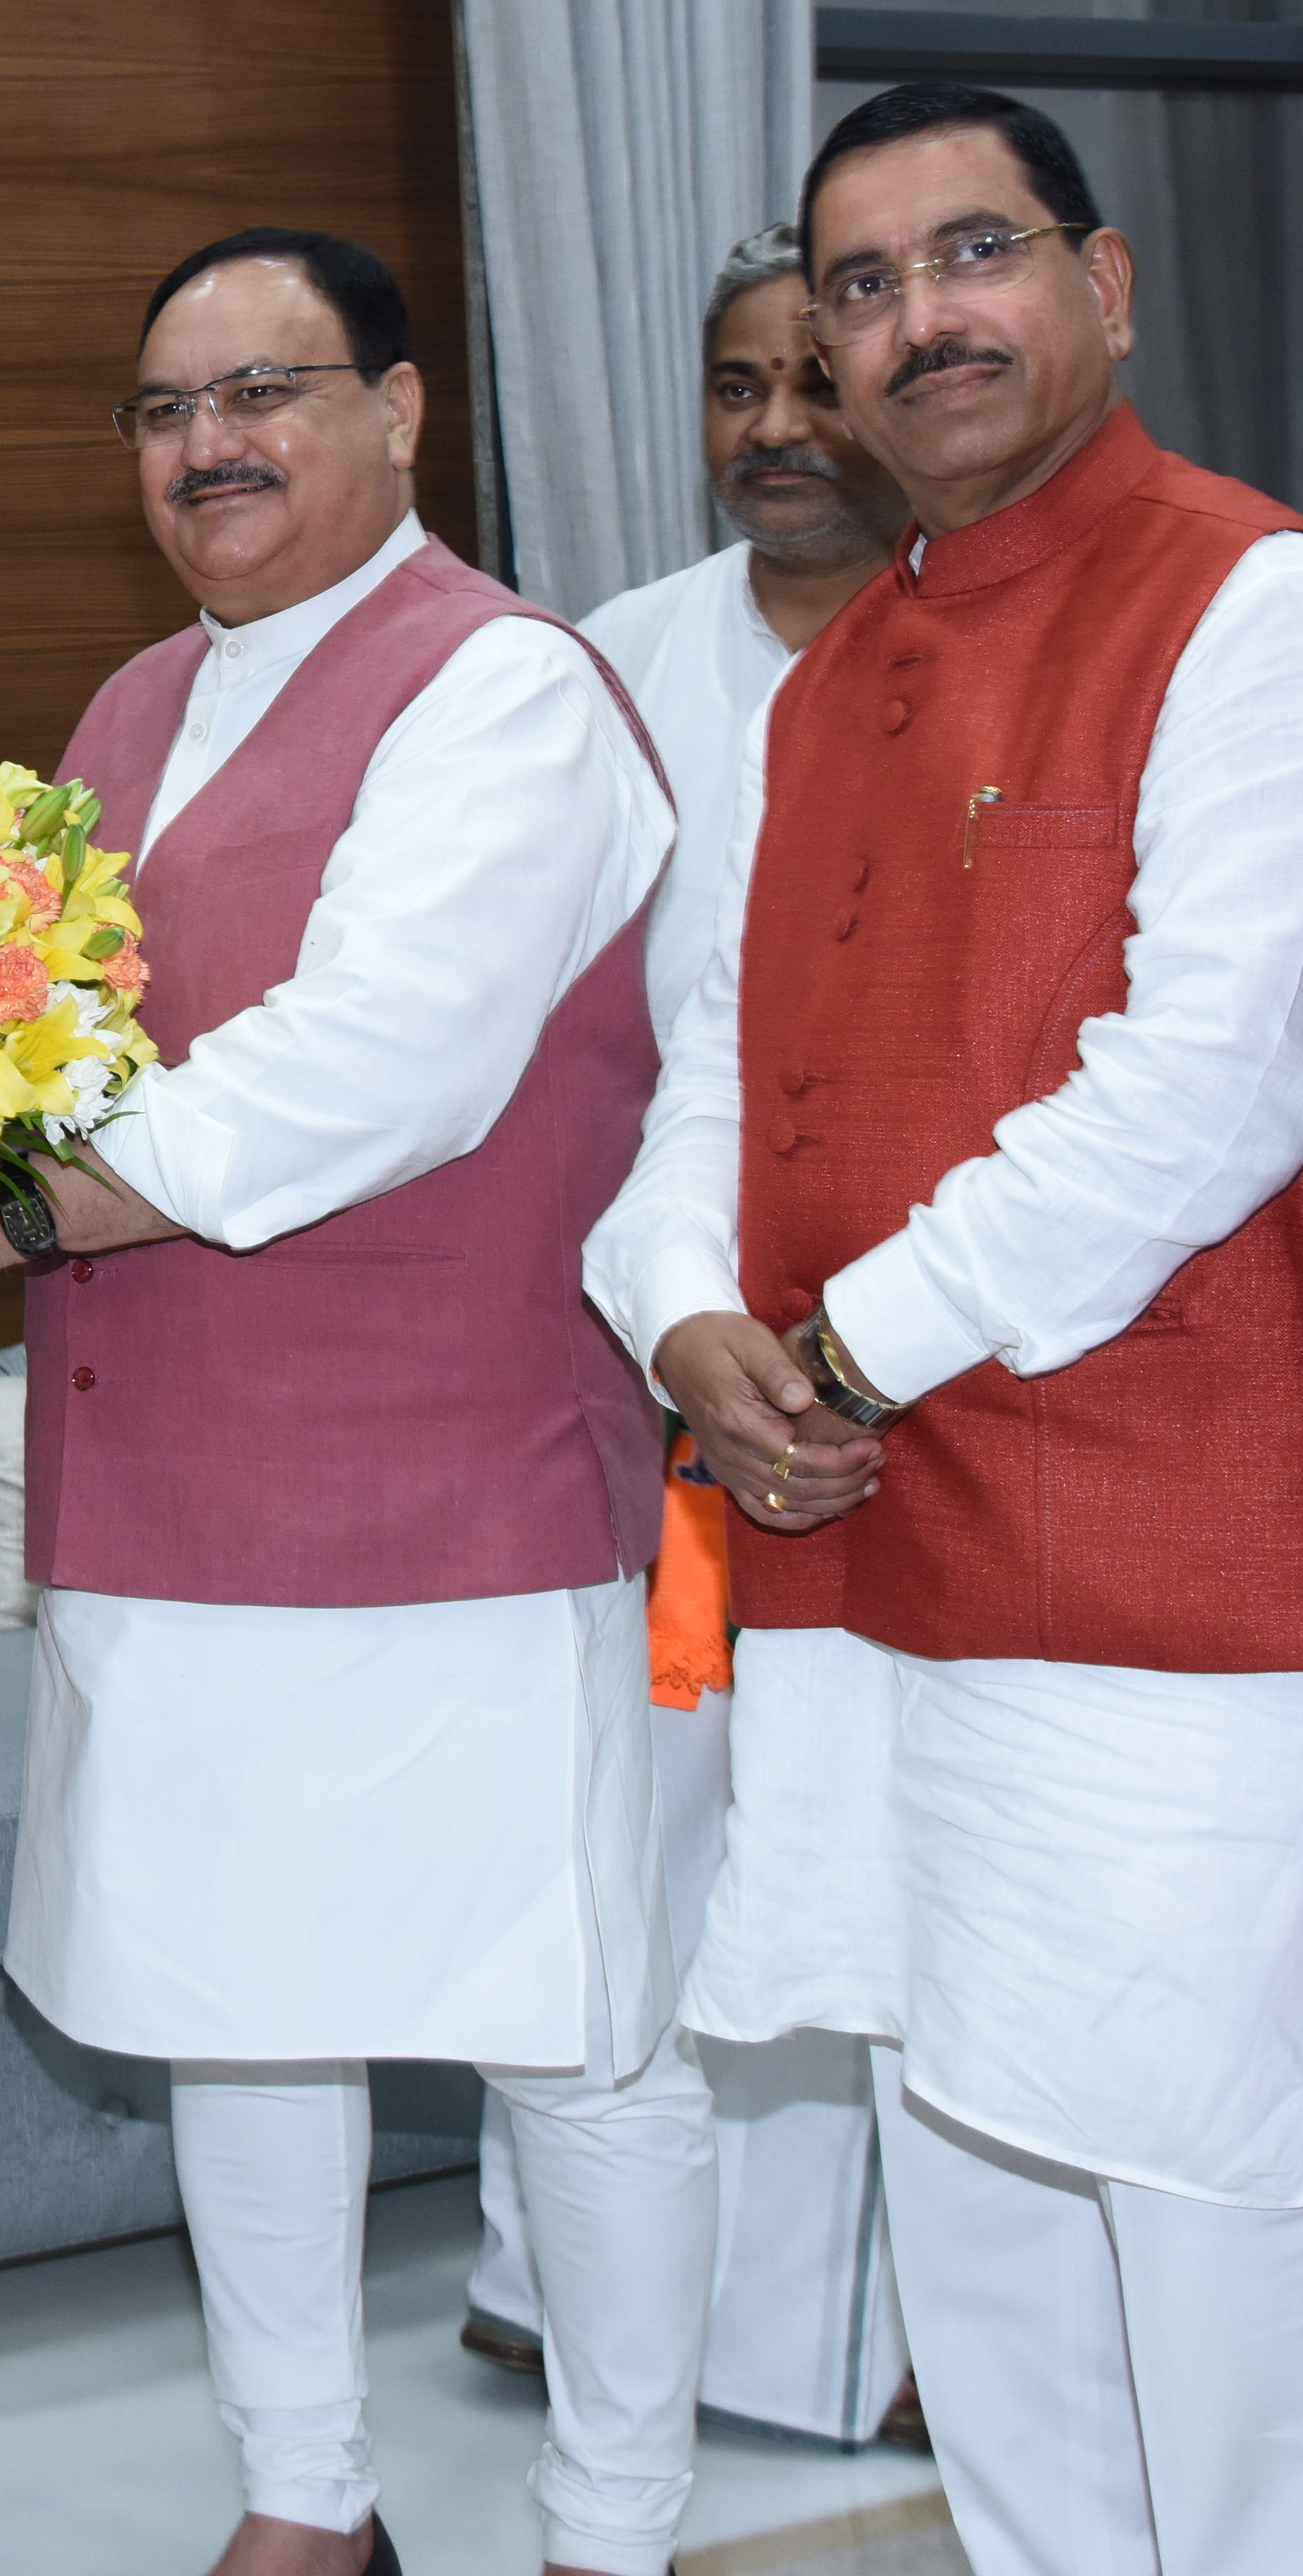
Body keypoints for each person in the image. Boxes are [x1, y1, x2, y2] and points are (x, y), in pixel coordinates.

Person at [0, 229, 694, 2576]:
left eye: (267, 390)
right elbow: (32, 1046)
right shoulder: (131, 709)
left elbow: (379, 1066)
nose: (212, 447)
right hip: (161, 1483)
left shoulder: (510, 695)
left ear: (401, 414)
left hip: (451, 1490)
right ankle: (307, 2498)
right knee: (232, 2009)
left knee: (560, 2032)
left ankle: (616, 2524)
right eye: (166, 411)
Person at [586, 81, 1303, 2576]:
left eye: (974, 254)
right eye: (861, 287)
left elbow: (1212, 1090)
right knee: (979, 2209)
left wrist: (830, 1359)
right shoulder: (831, 678)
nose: (917, 319)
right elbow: (718, 1056)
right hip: (871, 1570)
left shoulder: (1261, 604)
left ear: (1109, 283)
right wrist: (684, 1325)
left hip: (1190, 1591)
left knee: (1231, 2232)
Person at [464, 226, 915, 2446]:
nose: (775, 434)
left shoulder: (983, 641)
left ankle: (857, 2339)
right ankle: (556, 2286)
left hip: (916, 1346)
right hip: (634, 1331)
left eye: (812, 385)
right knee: (622, 1837)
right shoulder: (610, 663)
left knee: (843, 1844)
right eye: (739, 389)